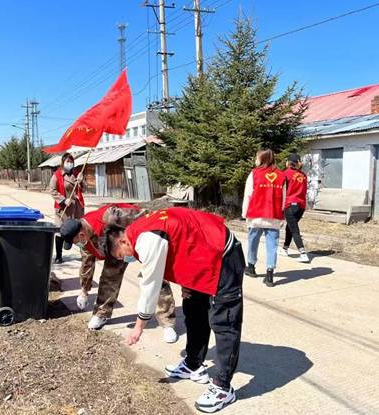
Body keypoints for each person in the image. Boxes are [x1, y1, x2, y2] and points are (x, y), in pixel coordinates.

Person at [102, 207, 244, 413]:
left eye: (120, 255)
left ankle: (223, 387)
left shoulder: (146, 240)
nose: (124, 259)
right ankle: (193, 364)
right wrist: (187, 280)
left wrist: (138, 327)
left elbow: (150, 286)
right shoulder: (138, 231)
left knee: (224, 321)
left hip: (222, 254)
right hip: (201, 257)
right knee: (194, 310)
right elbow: (181, 243)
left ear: (123, 242)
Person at [59, 204, 178, 343]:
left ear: (81, 235)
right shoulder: (85, 241)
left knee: (156, 278)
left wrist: (153, 242)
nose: (78, 244)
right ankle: (101, 313)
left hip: (134, 242)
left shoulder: (110, 216)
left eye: (76, 242)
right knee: (109, 278)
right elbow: (87, 265)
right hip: (115, 252)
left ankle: (167, 322)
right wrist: (84, 291)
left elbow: (148, 217)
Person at [242, 149, 286, 287]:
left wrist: (244, 213)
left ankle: (251, 267)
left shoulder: (254, 173)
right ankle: (269, 274)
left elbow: (248, 194)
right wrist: (282, 216)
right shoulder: (281, 175)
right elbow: (284, 197)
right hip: (274, 215)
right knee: (272, 245)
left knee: (253, 241)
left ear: (262, 158)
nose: (256, 160)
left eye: (257, 157)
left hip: (256, 214)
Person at [49, 153, 84, 264]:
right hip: (62, 209)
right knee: (60, 231)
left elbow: (83, 189)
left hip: (76, 209)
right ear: (63, 163)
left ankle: (83, 254)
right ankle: (59, 256)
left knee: (79, 231)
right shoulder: (57, 175)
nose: (70, 163)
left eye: (71, 162)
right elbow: (52, 190)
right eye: (67, 161)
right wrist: (63, 200)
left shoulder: (77, 174)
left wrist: (81, 181)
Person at [280, 153, 310, 263]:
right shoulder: (303, 175)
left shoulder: (286, 174)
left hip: (290, 204)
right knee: (290, 227)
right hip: (301, 206)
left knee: (294, 229)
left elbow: (282, 190)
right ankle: (285, 248)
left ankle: (303, 253)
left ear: (288, 162)